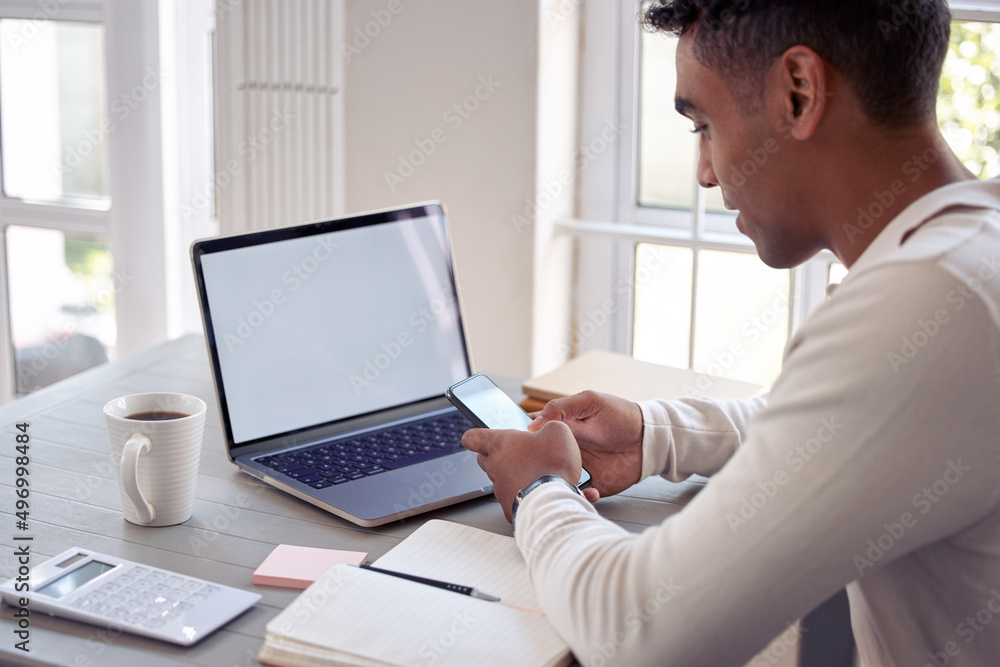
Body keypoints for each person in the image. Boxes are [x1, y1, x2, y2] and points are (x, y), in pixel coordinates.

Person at [461, 1, 1000, 665]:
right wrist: (655, 435)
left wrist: (541, 491)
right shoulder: (974, 253)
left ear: (798, 93)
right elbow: (852, 423)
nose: (705, 172)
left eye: (705, 126)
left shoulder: (927, 300)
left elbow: (639, 633)